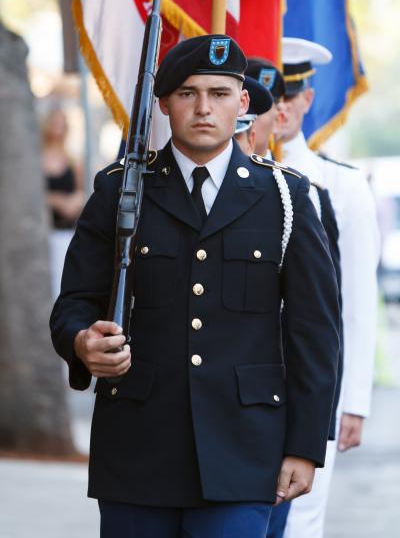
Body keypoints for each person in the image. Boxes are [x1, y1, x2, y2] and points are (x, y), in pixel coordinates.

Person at [50, 34, 340, 538]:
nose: (204, 108)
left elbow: (315, 333)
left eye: (220, 93)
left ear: (243, 102)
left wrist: (306, 446)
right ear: (162, 104)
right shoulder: (120, 191)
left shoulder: (285, 199)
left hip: (245, 454)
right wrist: (82, 342)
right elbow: (74, 302)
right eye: (187, 93)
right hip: (138, 450)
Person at [267, 37, 380, 538]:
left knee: (299, 522)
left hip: (311, 382)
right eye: (270, 94)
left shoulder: (340, 186)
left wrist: (352, 399)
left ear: (307, 100)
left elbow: (353, 302)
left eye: (290, 96)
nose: (280, 108)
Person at [42, 106, 85, 297]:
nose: (58, 127)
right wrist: (57, 201)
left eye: (62, 123)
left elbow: (81, 192)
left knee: (60, 284)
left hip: (65, 231)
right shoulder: (38, 158)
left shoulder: (72, 160)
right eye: (54, 122)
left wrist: (73, 202)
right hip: (43, 230)